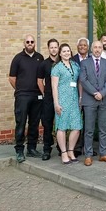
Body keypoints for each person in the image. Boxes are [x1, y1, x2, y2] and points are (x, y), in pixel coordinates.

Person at [9, 34, 44, 163]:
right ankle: (19, 150)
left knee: (34, 123)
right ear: (24, 43)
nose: (30, 43)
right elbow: (12, 78)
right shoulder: (18, 58)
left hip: (37, 96)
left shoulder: (40, 58)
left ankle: (31, 148)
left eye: (32, 42)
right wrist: (20, 90)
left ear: (35, 43)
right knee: (21, 123)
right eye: (27, 42)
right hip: (22, 96)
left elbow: (41, 78)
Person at [80, 40, 106, 166]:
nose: (97, 49)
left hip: (104, 100)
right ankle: (88, 155)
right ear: (91, 49)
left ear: (102, 49)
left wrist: (102, 93)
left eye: (99, 47)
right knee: (89, 129)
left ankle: (103, 153)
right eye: (95, 47)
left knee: (103, 128)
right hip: (90, 100)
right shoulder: (84, 63)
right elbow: (83, 80)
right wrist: (95, 93)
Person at [51, 43, 83, 165]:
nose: (66, 53)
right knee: (62, 127)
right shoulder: (57, 68)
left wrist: (80, 97)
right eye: (64, 51)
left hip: (74, 101)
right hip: (62, 101)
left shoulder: (75, 65)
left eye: (68, 51)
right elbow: (54, 87)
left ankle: (70, 151)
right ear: (60, 53)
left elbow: (79, 82)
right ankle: (63, 153)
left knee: (77, 127)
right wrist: (56, 103)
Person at [36, 38, 59, 161]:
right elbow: (39, 81)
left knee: (61, 124)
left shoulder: (63, 62)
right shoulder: (44, 64)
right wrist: (45, 93)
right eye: (51, 47)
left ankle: (61, 148)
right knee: (47, 124)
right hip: (49, 98)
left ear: (58, 48)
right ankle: (46, 149)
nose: (54, 49)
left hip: (62, 97)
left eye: (55, 47)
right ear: (48, 48)